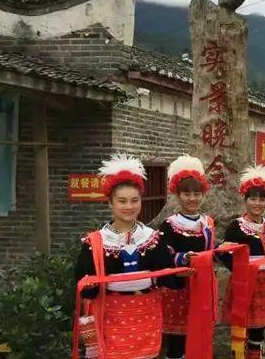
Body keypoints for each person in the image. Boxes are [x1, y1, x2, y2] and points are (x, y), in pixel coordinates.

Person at [75, 154, 181, 359]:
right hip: (110, 316)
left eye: (134, 200)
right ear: (110, 203)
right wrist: (90, 284)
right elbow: (84, 283)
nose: (129, 207)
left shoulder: (152, 238)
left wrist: (183, 269)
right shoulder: (96, 242)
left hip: (147, 314)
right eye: (122, 201)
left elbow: (167, 277)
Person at [221, 165, 265, 359]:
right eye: (253, 198)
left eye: (261, 199)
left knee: (258, 329)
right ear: (245, 200)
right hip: (245, 282)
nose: (257, 203)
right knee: (242, 326)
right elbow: (224, 254)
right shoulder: (236, 226)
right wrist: (240, 269)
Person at [159, 154, 213, 359]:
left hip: (201, 286)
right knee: (177, 340)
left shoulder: (208, 222)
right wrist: (183, 258)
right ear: (177, 195)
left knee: (198, 334)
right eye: (186, 194)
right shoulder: (170, 224)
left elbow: (209, 251)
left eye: (197, 193)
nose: (192, 199)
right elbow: (164, 256)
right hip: (178, 289)